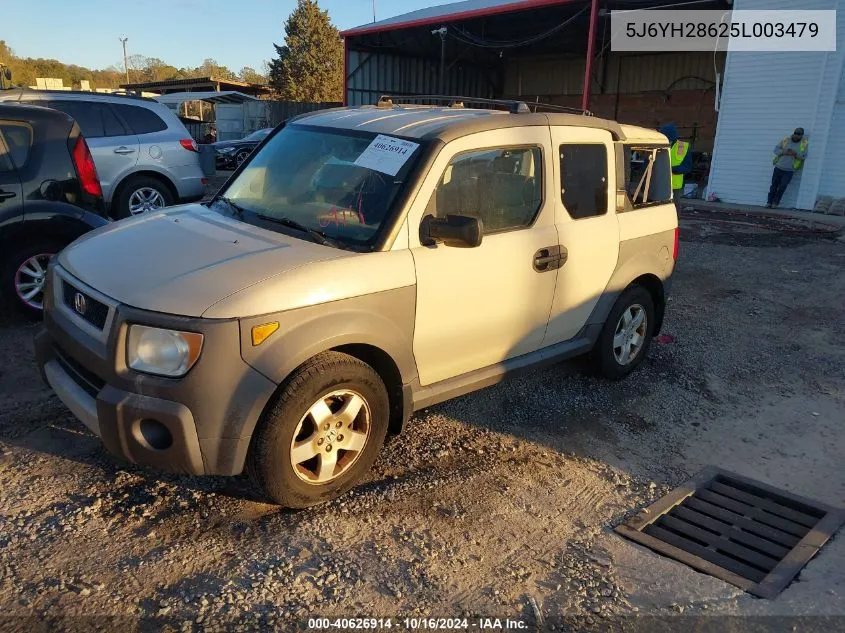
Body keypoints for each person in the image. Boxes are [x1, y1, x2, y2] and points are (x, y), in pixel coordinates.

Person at [767, 128, 809, 208]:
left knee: (782, 186)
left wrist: (795, 154)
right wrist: (783, 152)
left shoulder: (804, 144)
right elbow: (775, 150)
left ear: (801, 135)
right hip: (779, 167)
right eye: (795, 133)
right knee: (774, 186)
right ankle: (769, 202)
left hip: (789, 170)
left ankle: (775, 203)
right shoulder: (786, 140)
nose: (796, 135)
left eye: (799, 134)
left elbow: (804, 156)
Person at [658, 123, 692, 203]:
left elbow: (687, 167)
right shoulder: (658, 145)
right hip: (658, 184)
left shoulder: (682, 147)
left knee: (673, 208)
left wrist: (671, 169)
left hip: (674, 187)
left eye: (668, 139)